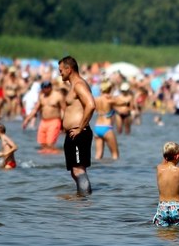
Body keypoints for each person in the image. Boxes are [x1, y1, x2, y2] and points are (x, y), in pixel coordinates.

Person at [59, 56, 96, 195]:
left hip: (79, 132)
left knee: (78, 171)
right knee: (75, 172)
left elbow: (91, 105)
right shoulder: (73, 85)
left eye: (61, 70)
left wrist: (80, 128)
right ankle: (81, 199)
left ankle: (83, 203)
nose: (60, 73)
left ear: (69, 69)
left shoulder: (79, 85)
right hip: (73, 133)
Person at [22, 80, 66, 153]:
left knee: (50, 144)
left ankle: (60, 154)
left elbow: (65, 110)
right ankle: (45, 159)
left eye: (47, 87)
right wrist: (27, 120)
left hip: (54, 121)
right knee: (43, 145)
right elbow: (35, 109)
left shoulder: (58, 96)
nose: (45, 89)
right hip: (43, 122)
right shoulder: (42, 96)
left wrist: (64, 124)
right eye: (44, 88)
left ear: (50, 87)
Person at [92, 81, 119, 160]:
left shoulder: (96, 99)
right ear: (110, 89)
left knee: (98, 156)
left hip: (97, 127)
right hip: (107, 127)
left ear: (101, 90)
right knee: (115, 155)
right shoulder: (110, 100)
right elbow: (122, 102)